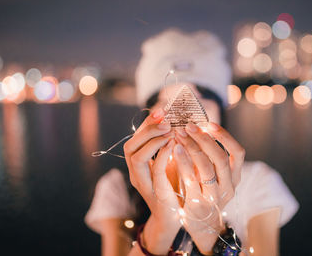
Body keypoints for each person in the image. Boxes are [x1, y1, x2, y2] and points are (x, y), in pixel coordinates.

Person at [85, 29, 299, 256]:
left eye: (201, 99)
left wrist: (210, 229)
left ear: (221, 111)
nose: (185, 116)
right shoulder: (119, 188)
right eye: (167, 101)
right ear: (148, 116)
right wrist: (160, 227)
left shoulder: (258, 182)